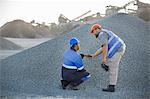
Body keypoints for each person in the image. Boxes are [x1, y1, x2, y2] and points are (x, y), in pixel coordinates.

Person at [90, 24, 126, 92]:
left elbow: (105, 46)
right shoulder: (104, 32)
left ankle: (112, 86)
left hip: (118, 49)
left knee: (113, 67)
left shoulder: (101, 34)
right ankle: (107, 66)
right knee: (109, 63)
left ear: (97, 29)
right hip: (119, 48)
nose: (93, 33)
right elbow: (102, 48)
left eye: (93, 31)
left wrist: (104, 59)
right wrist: (94, 55)